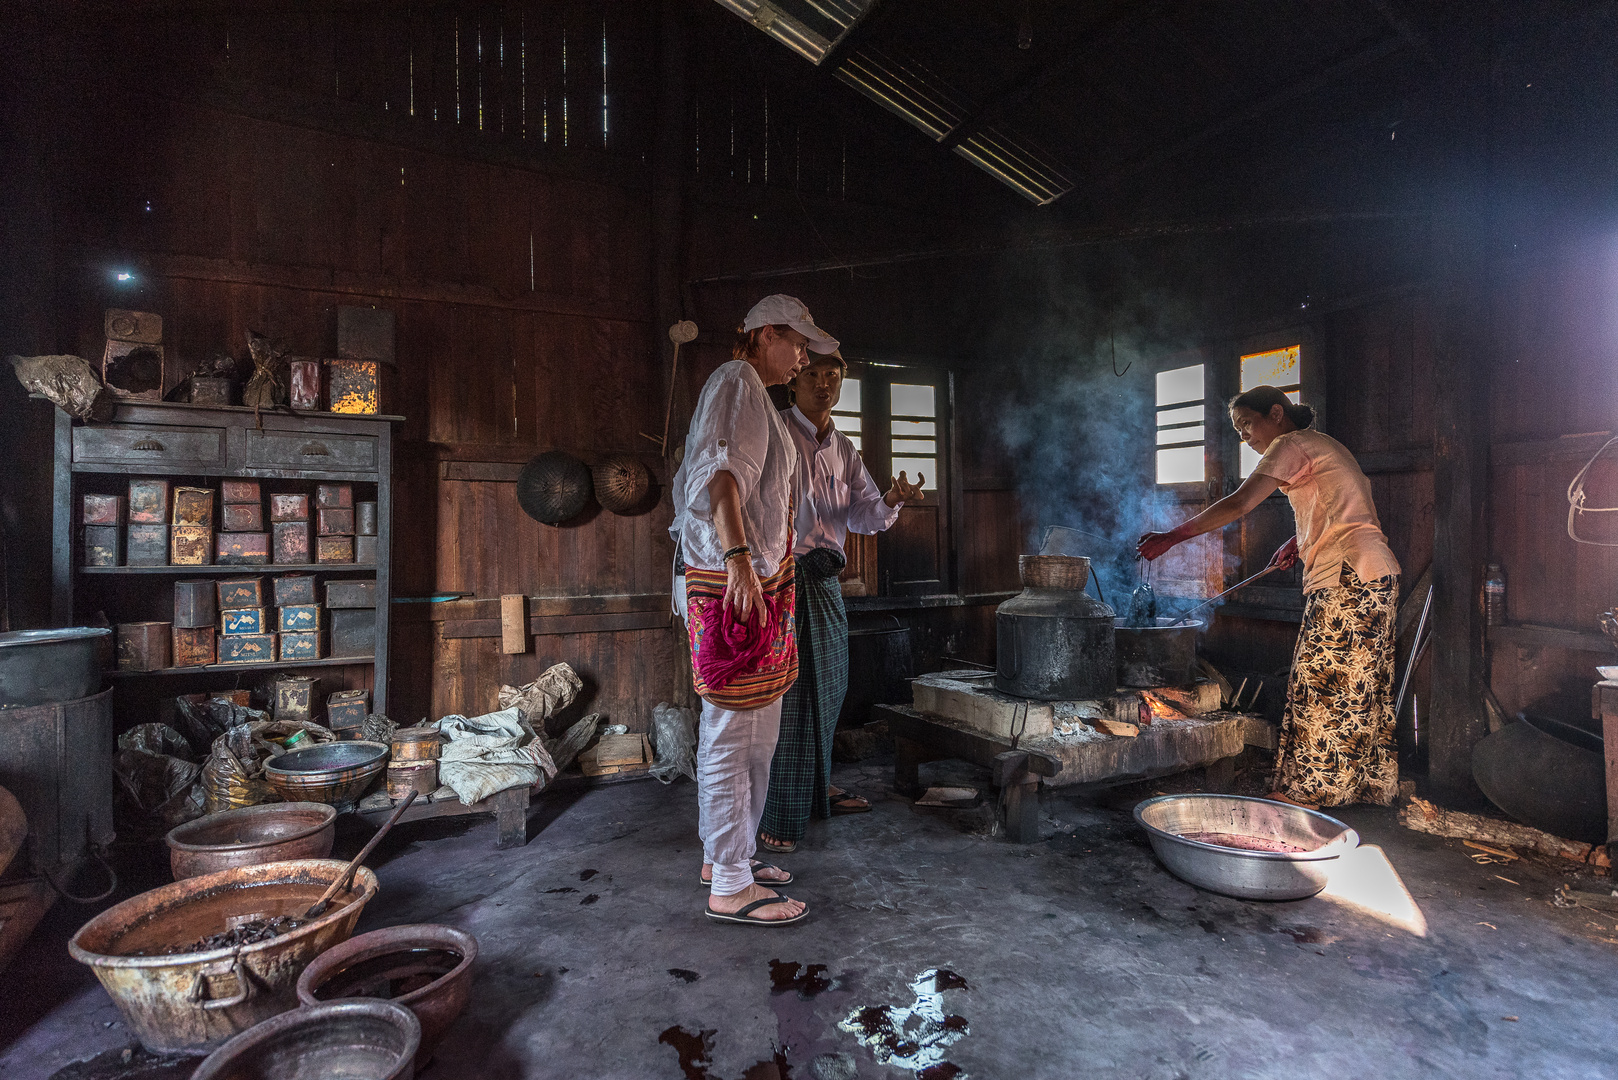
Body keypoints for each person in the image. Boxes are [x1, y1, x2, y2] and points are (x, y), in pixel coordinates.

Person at [1136, 385, 1402, 809]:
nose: (1245, 435)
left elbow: (1240, 502)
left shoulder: (1289, 443)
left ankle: (1308, 793)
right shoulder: (1321, 445)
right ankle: (1364, 786)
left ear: (1276, 414)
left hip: (1348, 574)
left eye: (1247, 425)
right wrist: (1297, 539)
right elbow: (1339, 506)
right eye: (1238, 430)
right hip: (1373, 574)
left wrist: (1173, 536)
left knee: (1322, 684)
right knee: (1360, 686)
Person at [669, 294, 838, 925]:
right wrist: (739, 559)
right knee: (734, 732)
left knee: (758, 731)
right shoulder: (737, 382)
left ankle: (727, 856)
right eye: (796, 344)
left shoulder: (751, 393)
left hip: (758, 582)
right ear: (766, 334)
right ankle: (731, 886)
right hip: (732, 580)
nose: (801, 359)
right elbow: (720, 480)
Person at [757, 350, 925, 854]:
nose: (823, 384)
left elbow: (863, 515)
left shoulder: (844, 448)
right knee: (788, 697)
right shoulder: (774, 432)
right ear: (794, 383)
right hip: (783, 578)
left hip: (825, 580)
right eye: (812, 375)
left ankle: (816, 788)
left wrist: (892, 499)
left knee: (829, 688)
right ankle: (777, 812)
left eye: (833, 376)